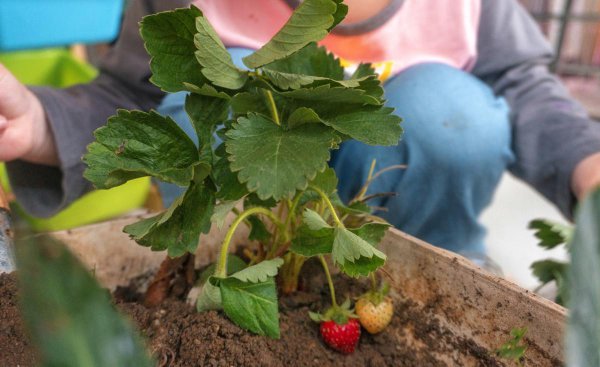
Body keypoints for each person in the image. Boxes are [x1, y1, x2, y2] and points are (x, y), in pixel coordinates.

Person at [0, 0, 599, 257]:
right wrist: (40, 126)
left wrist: (589, 167)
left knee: (451, 111)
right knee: (228, 87)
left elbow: (526, 90)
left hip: (415, 237)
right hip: (236, 259)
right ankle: (223, 280)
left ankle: (431, 273)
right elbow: (126, 99)